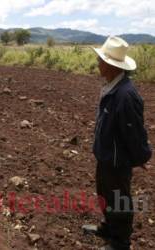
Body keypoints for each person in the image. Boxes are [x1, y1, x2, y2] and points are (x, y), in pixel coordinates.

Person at [82, 36, 152, 250]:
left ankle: (120, 242)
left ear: (112, 66)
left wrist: (141, 156)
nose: (98, 64)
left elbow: (134, 133)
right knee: (104, 194)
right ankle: (108, 228)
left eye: (101, 60)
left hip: (117, 160)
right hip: (105, 156)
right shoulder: (112, 87)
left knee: (119, 199)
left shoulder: (126, 95)